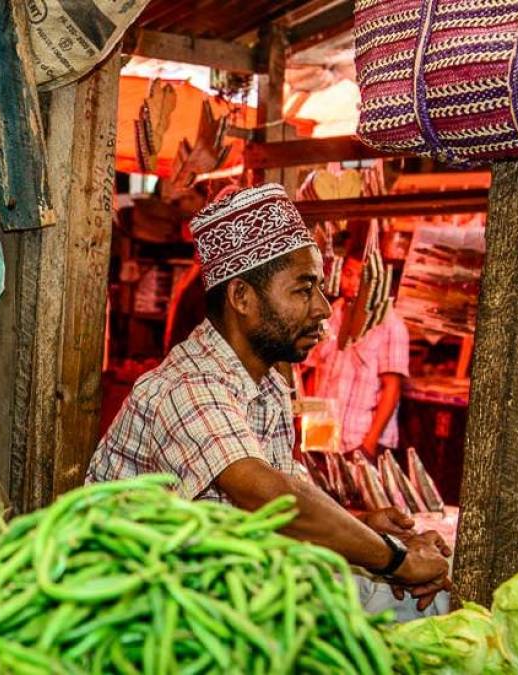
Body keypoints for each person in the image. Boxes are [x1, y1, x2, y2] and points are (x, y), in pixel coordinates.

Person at [87, 184, 451, 616]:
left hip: (221, 587)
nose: (323, 308)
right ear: (242, 297)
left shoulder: (268, 384)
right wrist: (396, 559)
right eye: (303, 289)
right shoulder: (187, 386)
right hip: (138, 608)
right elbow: (273, 495)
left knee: (433, 601)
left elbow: (290, 498)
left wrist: (365, 529)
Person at [305, 256, 410, 459]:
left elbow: (392, 389)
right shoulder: (329, 315)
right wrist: (308, 424)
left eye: (362, 276)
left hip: (359, 439)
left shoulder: (390, 325)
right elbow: (315, 371)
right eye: (348, 274)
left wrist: (370, 443)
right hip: (321, 435)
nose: (353, 283)